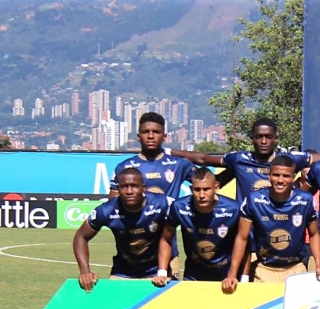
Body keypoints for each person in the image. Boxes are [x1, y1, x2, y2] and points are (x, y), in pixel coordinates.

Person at [221, 155, 320, 293]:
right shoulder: (254, 200)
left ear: (293, 177)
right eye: (276, 175)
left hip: (296, 269)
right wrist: (232, 274)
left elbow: (314, 234)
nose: (280, 180)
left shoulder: (305, 200)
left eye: (286, 176)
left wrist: (319, 263)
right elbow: (242, 237)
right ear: (269, 176)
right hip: (263, 270)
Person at [109, 112, 196, 277]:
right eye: (145, 132)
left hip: (168, 252)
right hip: (129, 255)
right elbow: (112, 206)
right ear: (138, 136)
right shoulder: (125, 167)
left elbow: (207, 184)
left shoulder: (179, 164)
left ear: (165, 136)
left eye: (156, 132)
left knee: (166, 295)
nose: (150, 136)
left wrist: (234, 167)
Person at [168, 117, 318, 204]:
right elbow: (203, 158)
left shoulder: (288, 160)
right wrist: (168, 151)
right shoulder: (239, 159)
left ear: (276, 139)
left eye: (268, 137)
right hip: (245, 228)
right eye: (259, 137)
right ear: (252, 139)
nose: (263, 141)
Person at [73, 167, 168, 292]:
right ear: (118, 189)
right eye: (124, 187)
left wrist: (164, 271)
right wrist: (85, 271)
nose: (129, 191)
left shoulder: (162, 203)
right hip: (123, 273)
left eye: (134, 186)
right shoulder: (106, 211)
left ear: (143, 188)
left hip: (157, 274)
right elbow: (81, 237)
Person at [152, 167, 240, 286]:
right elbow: (166, 239)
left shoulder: (233, 209)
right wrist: (162, 272)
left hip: (226, 277)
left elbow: (243, 242)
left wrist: (233, 275)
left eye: (206, 189)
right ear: (191, 189)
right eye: (197, 189)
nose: (202, 195)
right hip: (193, 277)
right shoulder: (179, 207)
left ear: (216, 187)